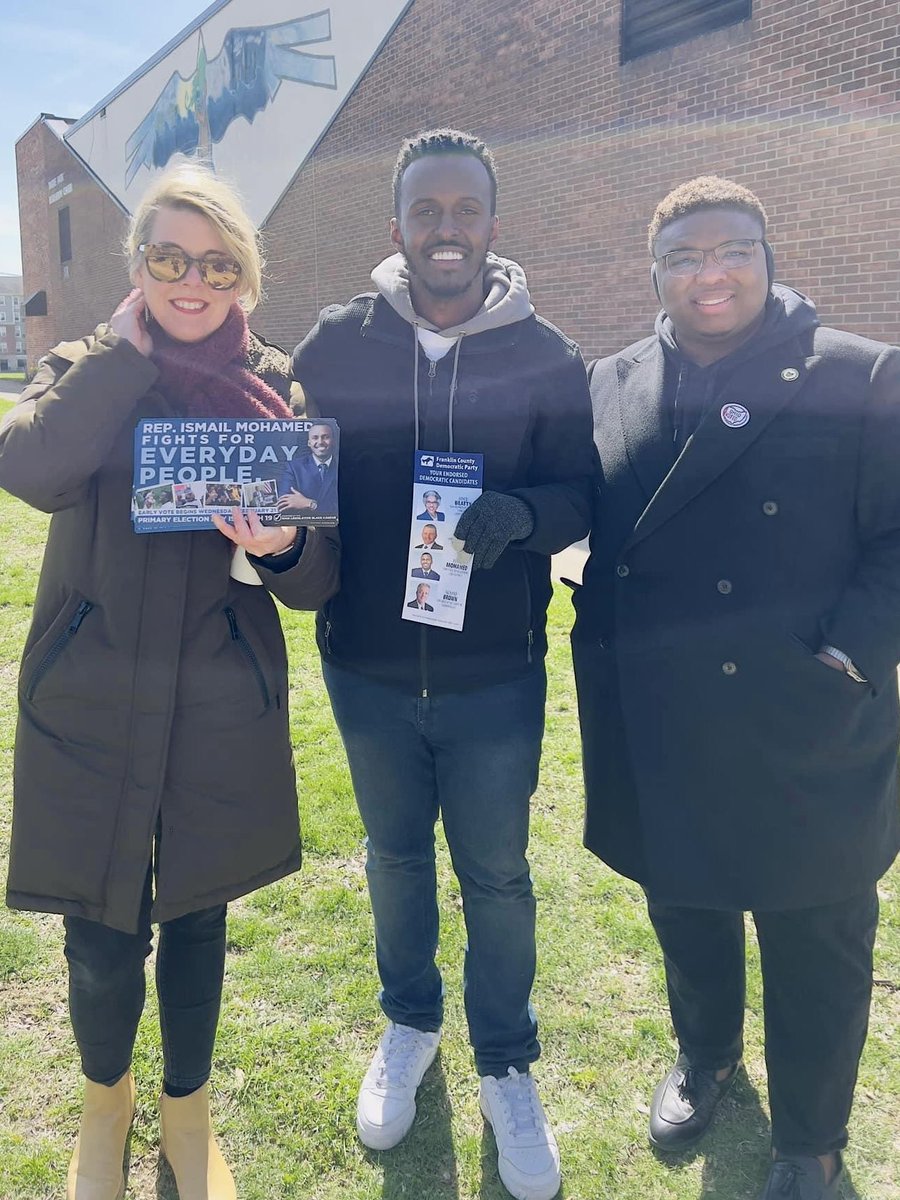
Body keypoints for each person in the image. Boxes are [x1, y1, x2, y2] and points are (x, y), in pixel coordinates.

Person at [0, 160, 339, 1200]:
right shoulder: (83, 361)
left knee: (198, 920)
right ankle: (105, 1109)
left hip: (217, 707)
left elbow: (318, 580)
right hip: (92, 699)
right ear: (138, 266)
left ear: (246, 274)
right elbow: (32, 468)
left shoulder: (280, 389)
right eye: (168, 258)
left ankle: (187, 1117)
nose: (192, 281)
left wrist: (284, 545)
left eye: (215, 262)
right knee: (100, 936)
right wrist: (120, 361)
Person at [572, 175, 900, 1200]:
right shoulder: (613, 377)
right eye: (684, 256)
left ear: (769, 253)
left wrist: (852, 652)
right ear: (655, 271)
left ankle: (810, 1136)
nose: (709, 273)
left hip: (808, 707)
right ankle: (707, 1054)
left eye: (732, 250)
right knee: (687, 902)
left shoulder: (859, 372)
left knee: (815, 932)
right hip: (664, 706)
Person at [293, 127, 593, 1200]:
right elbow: (292, 480)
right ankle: (410, 1024)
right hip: (367, 670)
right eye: (428, 211)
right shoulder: (335, 344)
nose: (448, 230)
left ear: (493, 226)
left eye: (466, 210)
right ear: (398, 228)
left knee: (499, 876)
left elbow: (583, 492)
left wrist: (525, 515)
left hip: (496, 680)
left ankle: (507, 1060)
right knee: (395, 861)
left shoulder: (547, 353)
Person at [276, 420, 338, 515]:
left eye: (325, 437)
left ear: (333, 441)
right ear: (309, 443)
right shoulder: (294, 467)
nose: (320, 442)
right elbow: (284, 504)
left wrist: (310, 504)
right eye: (315, 438)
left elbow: (346, 505)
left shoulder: (344, 467)